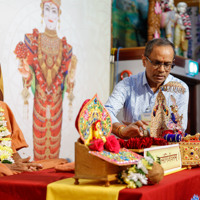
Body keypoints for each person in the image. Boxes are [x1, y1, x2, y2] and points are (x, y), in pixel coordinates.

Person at [14, 0, 77, 160]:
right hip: (39, 104)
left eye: (54, 11)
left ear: (59, 15)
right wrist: (26, 73)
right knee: (40, 152)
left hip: (57, 107)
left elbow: (67, 86)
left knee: (55, 151)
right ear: (42, 12)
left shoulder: (67, 49)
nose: (50, 14)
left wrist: (72, 76)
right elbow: (30, 77)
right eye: (47, 9)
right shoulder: (31, 40)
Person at [105, 38, 189, 139]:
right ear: (144, 61)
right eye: (156, 63)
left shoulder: (180, 89)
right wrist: (122, 130)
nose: (162, 70)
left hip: (164, 151)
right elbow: (106, 112)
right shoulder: (127, 85)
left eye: (167, 64)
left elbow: (180, 128)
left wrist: (145, 132)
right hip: (133, 150)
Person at [0, 101, 43, 176]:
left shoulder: (1, 107)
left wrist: (21, 164)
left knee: (60, 162)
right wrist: (7, 167)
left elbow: (9, 150)